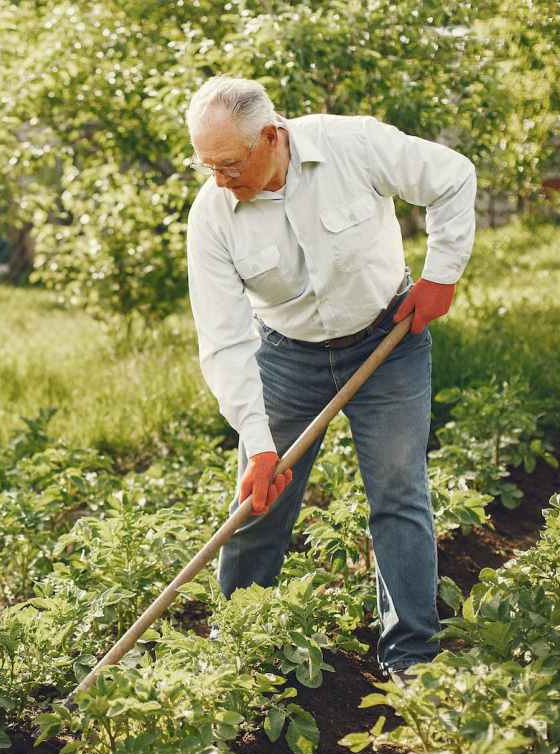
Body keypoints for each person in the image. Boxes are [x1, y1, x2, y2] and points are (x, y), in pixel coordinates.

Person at [183, 75, 477, 683]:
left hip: (387, 340)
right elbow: (225, 339)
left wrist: (441, 274)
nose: (218, 179)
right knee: (260, 499)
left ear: (271, 136)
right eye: (206, 164)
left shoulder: (352, 146)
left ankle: (412, 656)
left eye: (229, 163)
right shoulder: (213, 215)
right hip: (286, 356)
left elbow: (452, 175)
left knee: (398, 493)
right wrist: (259, 444)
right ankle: (236, 648)